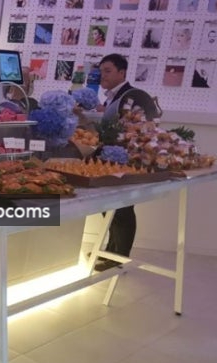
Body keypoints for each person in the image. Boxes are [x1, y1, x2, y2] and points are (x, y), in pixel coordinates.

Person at [95, 53, 137, 272]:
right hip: (110, 159)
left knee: (122, 209)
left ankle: (119, 257)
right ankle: (110, 251)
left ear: (122, 72)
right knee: (110, 207)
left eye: (108, 71)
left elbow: (133, 127)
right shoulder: (112, 97)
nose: (103, 75)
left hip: (123, 160)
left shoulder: (130, 96)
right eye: (101, 71)